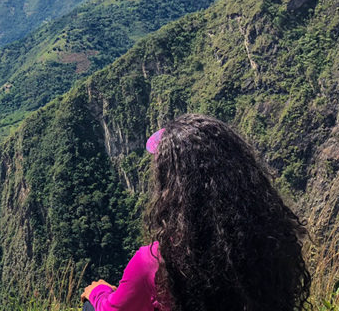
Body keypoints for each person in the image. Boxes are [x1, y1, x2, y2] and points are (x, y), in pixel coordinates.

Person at [80, 114, 311, 310]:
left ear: (170, 187)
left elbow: (112, 308)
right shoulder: (270, 238)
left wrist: (97, 292)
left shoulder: (156, 263)